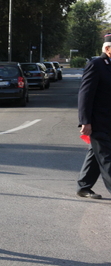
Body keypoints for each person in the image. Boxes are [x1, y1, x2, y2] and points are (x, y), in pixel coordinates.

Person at [77, 33, 111, 199]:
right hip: (98, 122)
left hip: (108, 122)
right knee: (106, 157)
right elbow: (85, 95)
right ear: (107, 48)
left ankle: (84, 186)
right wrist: (85, 121)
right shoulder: (97, 64)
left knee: (95, 154)